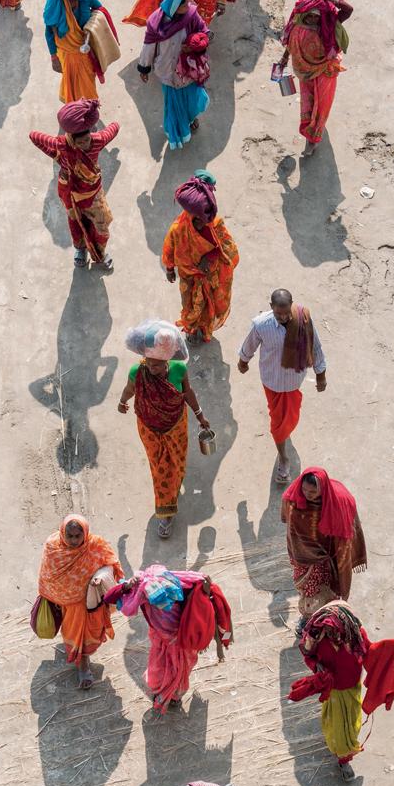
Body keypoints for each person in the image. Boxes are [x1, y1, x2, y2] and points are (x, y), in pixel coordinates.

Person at [287, 600, 394, 780]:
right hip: (333, 691)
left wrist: (388, 650)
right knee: (339, 730)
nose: (335, 636)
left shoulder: (355, 634)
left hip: (352, 687)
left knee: (352, 723)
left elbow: (369, 653)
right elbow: (308, 656)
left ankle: (344, 748)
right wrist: (317, 668)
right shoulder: (316, 637)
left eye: (337, 632)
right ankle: (344, 759)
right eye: (331, 632)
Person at [117, 320, 210, 538]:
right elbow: (129, 389)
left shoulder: (179, 369)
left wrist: (200, 416)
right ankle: (165, 514)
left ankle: (173, 491)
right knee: (160, 469)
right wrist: (122, 402)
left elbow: (188, 393)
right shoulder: (138, 372)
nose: (152, 368)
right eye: (148, 363)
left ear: (167, 361)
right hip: (149, 429)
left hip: (176, 424)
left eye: (157, 365)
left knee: (176, 464)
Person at [104, 565, 232, 711]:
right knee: (160, 669)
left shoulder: (181, 587)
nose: (162, 602)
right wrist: (128, 585)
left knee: (181, 669)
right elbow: (109, 597)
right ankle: (165, 692)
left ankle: (175, 695)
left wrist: (205, 590)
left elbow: (219, 620)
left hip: (183, 638)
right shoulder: (143, 590)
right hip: (161, 639)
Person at [237, 289, 327, 483]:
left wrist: (321, 375)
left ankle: (284, 433)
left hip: (294, 381)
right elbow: (250, 344)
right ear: (271, 308)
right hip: (272, 382)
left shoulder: (303, 318)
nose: (284, 317)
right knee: (278, 422)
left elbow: (315, 346)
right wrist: (243, 361)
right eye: (279, 313)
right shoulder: (262, 324)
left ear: (292, 305)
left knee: (290, 418)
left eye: (286, 312)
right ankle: (284, 458)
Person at [29, 98, 119, 271]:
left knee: (101, 223)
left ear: (91, 132)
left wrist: (114, 124)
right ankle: (80, 250)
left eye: (86, 140)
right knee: (76, 221)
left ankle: (99, 253)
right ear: (71, 138)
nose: (84, 145)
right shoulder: (62, 144)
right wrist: (55, 156)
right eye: (80, 143)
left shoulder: (98, 140)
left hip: (93, 193)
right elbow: (34, 137)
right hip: (70, 192)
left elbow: (114, 128)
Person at [37, 514, 124, 689]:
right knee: (74, 634)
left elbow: (110, 564)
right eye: (70, 536)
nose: (75, 540)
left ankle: (83, 659)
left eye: (78, 536)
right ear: (63, 533)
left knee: (90, 633)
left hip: (92, 601)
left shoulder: (95, 545)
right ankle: (83, 665)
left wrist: (100, 577)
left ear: (85, 533)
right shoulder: (53, 548)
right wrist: (61, 594)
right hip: (69, 605)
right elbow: (48, 576)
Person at [282, 468, 367, 634]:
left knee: (325, 593)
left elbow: (344, 535)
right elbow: (288, 519)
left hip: (327, 557)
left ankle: (324, 621)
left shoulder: (337, 503)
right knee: (306, 590)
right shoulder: (293, 497)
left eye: (313, 492)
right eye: (305, 490)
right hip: (301, 556)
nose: (307, 494)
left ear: (323, 489)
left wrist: (339, 558)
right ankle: (308, 619)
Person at [163, 171, 240, 344]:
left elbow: (228, 247)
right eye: (197, 220)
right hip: (188, 278)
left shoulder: (215, 224)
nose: (202, 223)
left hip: (210, 276)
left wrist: (210, 256)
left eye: (204, 219)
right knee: (190, 306)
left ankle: (205, 328)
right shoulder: (178, 229)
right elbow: (169, 249)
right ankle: (191, 329)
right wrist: (169, 268)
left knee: (208, 306)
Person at [277, 0, 353, 155]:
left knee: (321, 106)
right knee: (308, 104)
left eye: (317, 16)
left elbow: (348, 9)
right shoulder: (297, 26)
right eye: (310, 15)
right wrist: (284, 59)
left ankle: (313, 139)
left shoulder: (329, 26)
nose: (313, 19)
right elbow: (291, 44)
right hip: (304, 73)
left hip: (325, 71)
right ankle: (309, 130)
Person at [138, 0, 210, 151]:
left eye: (188, 0)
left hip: (189, 70)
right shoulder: (155, 23)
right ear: (173, 6)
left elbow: (204, 33)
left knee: (192, 99)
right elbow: (148, 47)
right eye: (183, 2)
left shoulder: (191, 15)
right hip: (168, 72)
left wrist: (194, 46)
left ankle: (191, 118)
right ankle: (178, 130)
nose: (188, 3)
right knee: (174, 104)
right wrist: (144, 68)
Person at [43, 0, 118, 103]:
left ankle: (88, 105)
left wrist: (90, 28)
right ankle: (76, 107)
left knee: (87, 78)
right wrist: (54, 57)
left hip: (86, 47)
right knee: (70, 79)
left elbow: (101, 12)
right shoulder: (54, 6)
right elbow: (49, 32)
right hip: (66, 51)